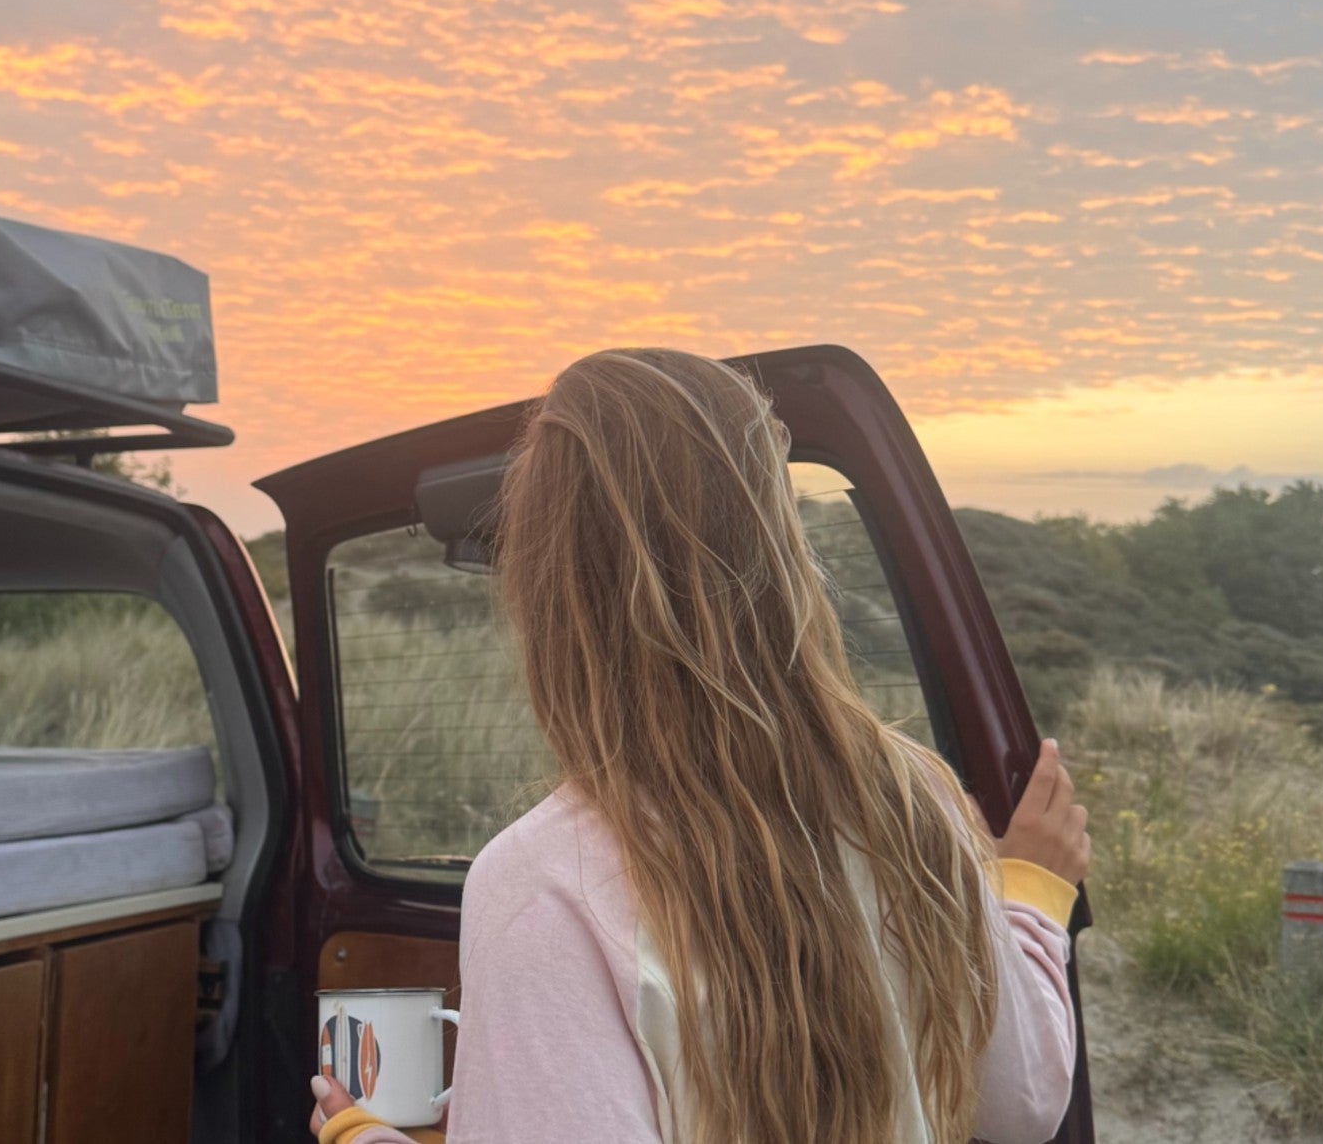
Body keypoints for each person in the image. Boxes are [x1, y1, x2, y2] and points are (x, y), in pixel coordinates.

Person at [310, 348, 1088, 1144]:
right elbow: (1021, 1108)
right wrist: (1031, 893)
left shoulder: (547, 885)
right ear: (780, 543)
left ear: (549, 591)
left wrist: (360, 1138)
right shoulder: (915, 799)